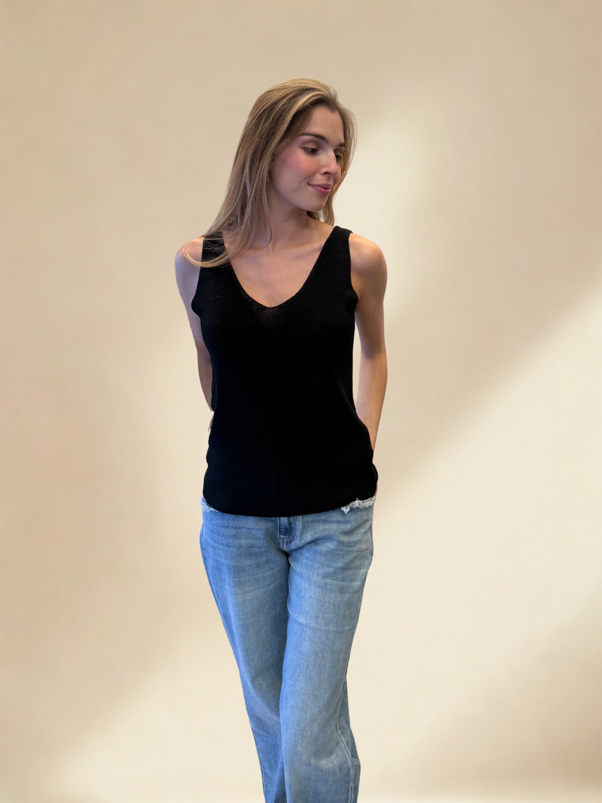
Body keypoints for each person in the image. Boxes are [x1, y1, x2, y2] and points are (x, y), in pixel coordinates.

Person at [175, 78, 388, 803]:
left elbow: (375, 352)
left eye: (338, 152)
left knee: (307, 728)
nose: (331, 166)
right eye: (312, 147)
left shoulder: (358, 257)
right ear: (266, 150)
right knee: (271, 717)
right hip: (235, 521)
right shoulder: (197, 261)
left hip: (334, 517)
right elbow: (211, 366)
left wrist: (362, 441)